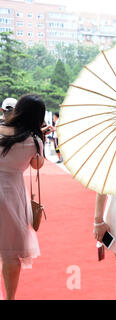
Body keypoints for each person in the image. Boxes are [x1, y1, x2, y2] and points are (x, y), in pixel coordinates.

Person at [0, 94, 51, 300]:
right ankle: (10, 297)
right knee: (10, 252)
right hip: (12, 193)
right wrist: (41, 140)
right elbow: (37, 165)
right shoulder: (35, 140)